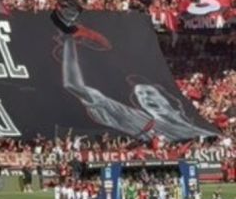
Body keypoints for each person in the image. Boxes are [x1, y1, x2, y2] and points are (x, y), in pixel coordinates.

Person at [61, 33, 218, 141]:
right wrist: (69, 41)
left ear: (168, 98)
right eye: (140, 96)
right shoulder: (138, 119)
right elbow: (73, 85)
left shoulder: (204, 132)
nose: (145, 98)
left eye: (149, 93)